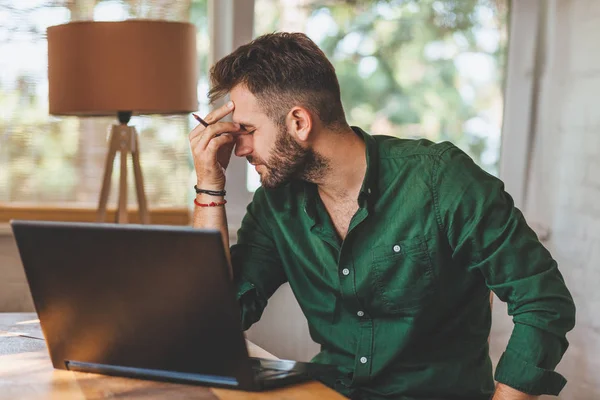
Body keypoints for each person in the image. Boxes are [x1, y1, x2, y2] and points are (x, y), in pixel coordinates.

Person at [188, 32, 575, 400]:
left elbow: (543, 301)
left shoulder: (442, 180)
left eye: (247, 131)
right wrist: (209, 184)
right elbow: (218, 318)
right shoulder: (277, 204)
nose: (238, 149)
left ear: (299, 123)